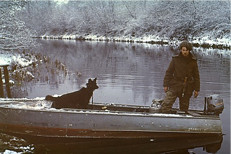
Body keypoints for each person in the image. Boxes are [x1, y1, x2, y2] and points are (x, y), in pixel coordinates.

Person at [161, 41, 200, 113]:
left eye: (186, 50)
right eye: (183, 50)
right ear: (181, 50)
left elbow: (196, 76)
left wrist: (197, 89)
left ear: (189, 50)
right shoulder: (175, 60)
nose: (185, 52)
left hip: (187, 87)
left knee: (184, 108)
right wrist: (165, 85)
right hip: (175, 85)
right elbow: (169, 72)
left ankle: (182, 121)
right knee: (166, 104)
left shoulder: (193, 61)